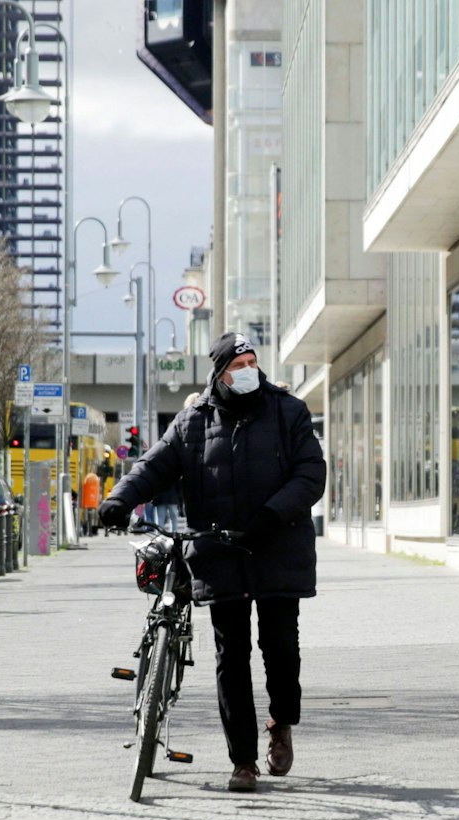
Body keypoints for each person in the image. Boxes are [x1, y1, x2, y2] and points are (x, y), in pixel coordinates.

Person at [98, 333, 327, 794]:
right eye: (238, 363)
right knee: (231, 657)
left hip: (277, 546)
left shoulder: (288, 411)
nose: (248, 369)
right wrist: (118, 500)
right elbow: (153, 465)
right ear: (220, 373)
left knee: (281, 650)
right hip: (220, 552)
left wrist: (269, 516)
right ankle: (243, 761)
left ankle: (281, 723)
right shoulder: (193, 422)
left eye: (252, 361)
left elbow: (311, 474)